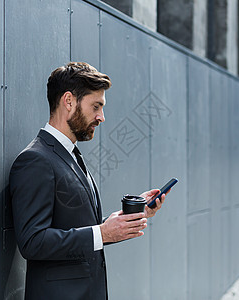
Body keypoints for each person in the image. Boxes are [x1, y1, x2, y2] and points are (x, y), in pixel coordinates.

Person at [9, 62, 166, 300]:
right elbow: (32, 241)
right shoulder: (35, 160)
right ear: (69, 101)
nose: (101, 117)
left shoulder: (69, 154)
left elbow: (75, 227)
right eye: (96, 106)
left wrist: (121, 222)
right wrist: (102, 233)